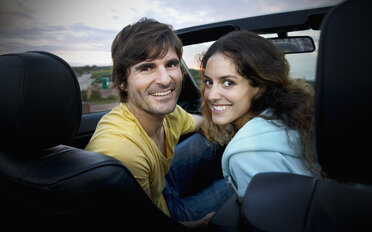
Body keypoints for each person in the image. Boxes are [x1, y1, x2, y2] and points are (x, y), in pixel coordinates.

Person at [85, 18, 232, 228]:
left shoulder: (171, 115)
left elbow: (203, 124)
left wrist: (236, 139)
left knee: (211, 141)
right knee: (249, 182)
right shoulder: (120, 152)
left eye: (171, 64)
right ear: (122, 81)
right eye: (147, 68)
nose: (165, 79)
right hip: (166, 215)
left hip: (160, 189)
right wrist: (202, 224)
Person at [199, 30, 320, 202]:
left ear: (260, 86)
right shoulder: (287, 116)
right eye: (209, 82)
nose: (211, 95)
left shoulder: (245, 156)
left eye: (228, 82)